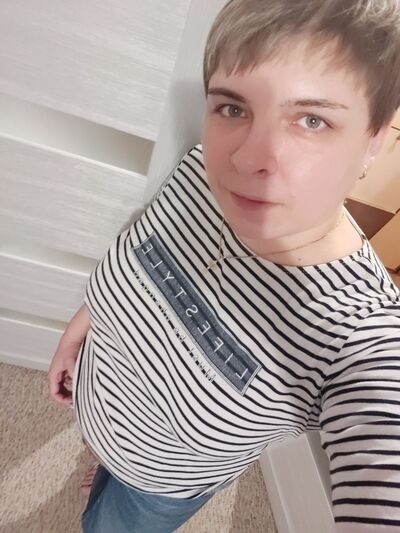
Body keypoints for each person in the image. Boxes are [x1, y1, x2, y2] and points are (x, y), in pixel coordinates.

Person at [48, 0, 400, 531]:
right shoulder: (198, 170)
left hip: (158, 486)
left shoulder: (359, 335)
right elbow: (136, 264)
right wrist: (81, 327)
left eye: (312, 120)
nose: (247, 159)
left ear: (374, 140)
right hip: (98, 413)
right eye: (233, 108)